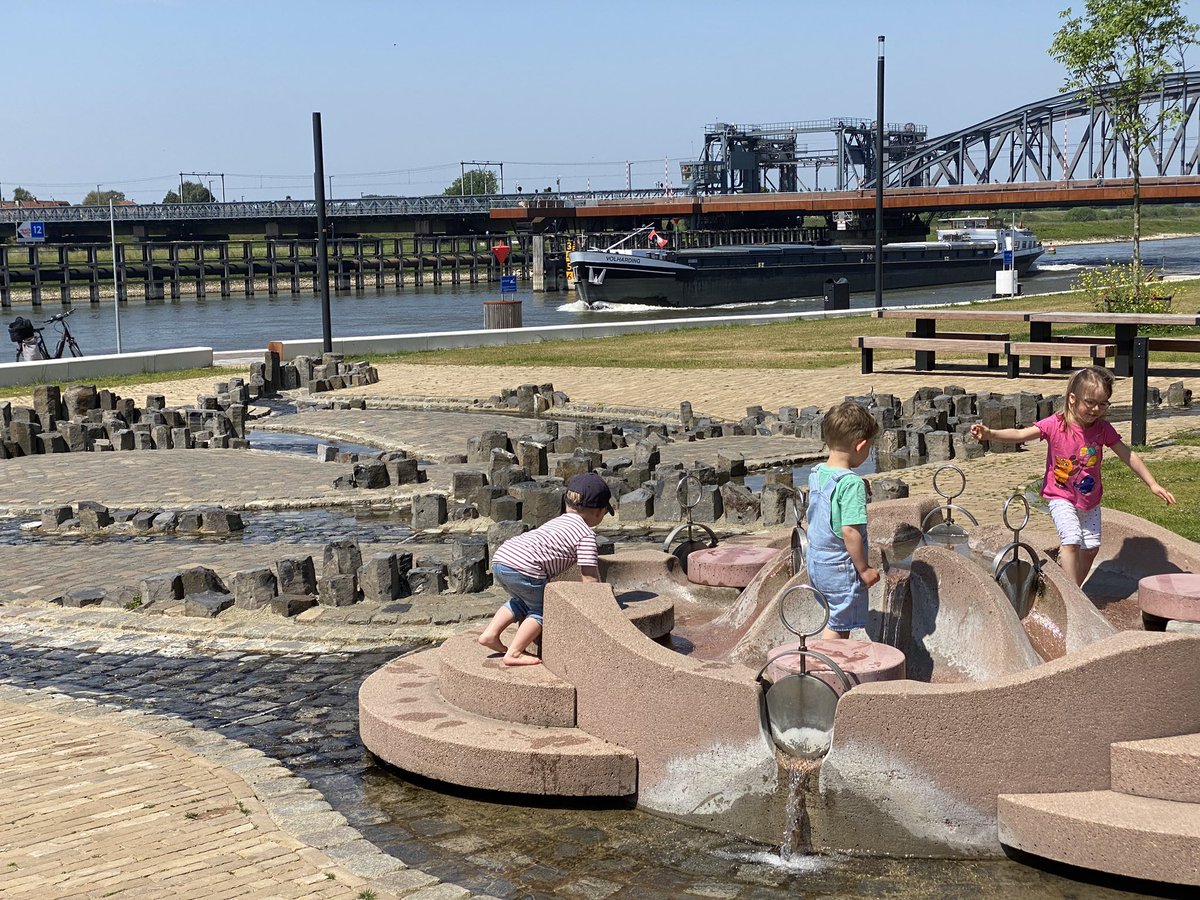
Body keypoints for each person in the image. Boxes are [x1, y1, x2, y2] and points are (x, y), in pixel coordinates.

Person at [970, 366, 1175, 586]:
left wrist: (1152, 483)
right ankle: (1072, 600)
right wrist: (991, 434)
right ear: (1072, 399)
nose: (1096, 409)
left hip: (1089, 499)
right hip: (1060, 495)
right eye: (1090, 402)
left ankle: (1073, 591)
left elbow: (1128, 455)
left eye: (1102, 403)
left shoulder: (1102, 429)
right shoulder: (1056, 424)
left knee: (1091, 548)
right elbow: (1021, 434)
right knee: (1071, 540)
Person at [478, 472, 613, 666]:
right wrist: (601, 607)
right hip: (526, 567)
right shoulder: (586, 535)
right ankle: (514, 653)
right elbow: (590, 580)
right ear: (599, 512)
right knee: (543, 608)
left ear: (567, 504)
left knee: (522, 601)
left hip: (502, 559)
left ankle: (490, 634)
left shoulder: (558, 521)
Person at [807, 401, 881, 639]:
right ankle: (829, 668)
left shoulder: (818, 473)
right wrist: (864, 569)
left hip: (816, 563)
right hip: (840, 568)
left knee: (833, 615)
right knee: (839, 625)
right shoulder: (851, 484)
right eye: (869, 447)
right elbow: (850, 531)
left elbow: (829, 509)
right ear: (860, 445)